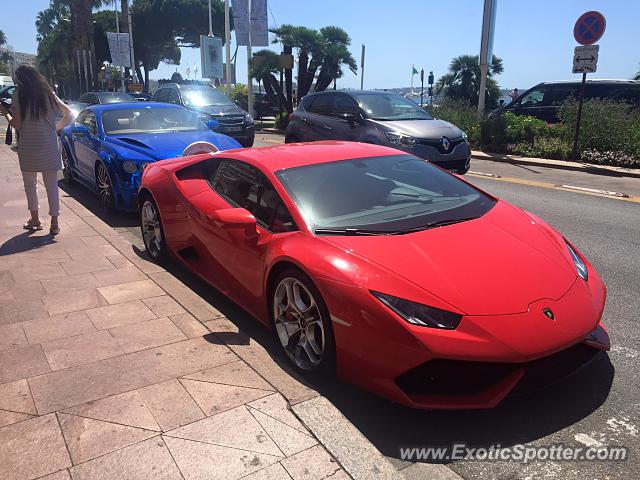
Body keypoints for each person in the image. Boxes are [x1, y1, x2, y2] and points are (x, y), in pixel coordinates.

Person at [0, 66, 73, 235]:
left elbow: (16, 124)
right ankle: (54, 223)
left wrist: (6, 113)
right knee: (52, 186)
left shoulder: (18, 95)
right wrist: (55, 128)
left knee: (30, 185)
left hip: (29, 147)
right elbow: (69, 114)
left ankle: (35, 220)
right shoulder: (48, 94)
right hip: (49, 146)